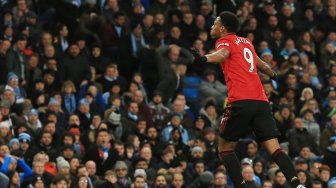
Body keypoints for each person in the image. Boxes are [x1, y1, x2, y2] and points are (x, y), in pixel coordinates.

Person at [190, 11, 305, 188]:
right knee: (275, 149)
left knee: (224, 149)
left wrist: (204, 58)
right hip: (261, 101)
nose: (212, 26)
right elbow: (261, 64)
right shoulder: (246, 42)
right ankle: (298, 184)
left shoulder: (224, 40)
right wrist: (274, 75)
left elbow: (222, 54)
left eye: (215, 24)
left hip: (240, 101)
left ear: (222, 28)